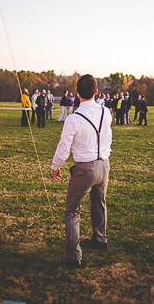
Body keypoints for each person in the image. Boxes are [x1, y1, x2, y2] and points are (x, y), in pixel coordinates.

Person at [50, 74, 112, 268]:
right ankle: (100, 238)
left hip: (85, 168)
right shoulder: (106, 112)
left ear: (77, 92)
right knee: (99, 203)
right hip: (104, 164)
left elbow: (63, 147)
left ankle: (74, 255)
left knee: (71, 210)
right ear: (96, 92)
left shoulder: (73, 118)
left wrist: (55, 166)